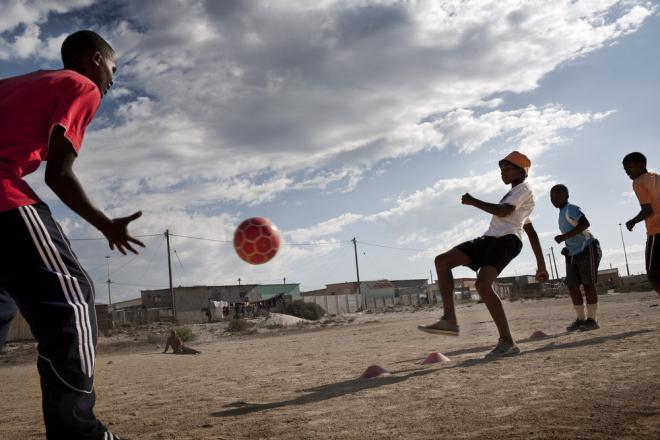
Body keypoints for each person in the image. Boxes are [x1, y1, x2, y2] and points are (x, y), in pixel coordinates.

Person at [0, 30, 144, 440]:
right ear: (94, 58)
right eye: (113, 69)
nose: (113, 82)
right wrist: (106, 224)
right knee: (72, 299)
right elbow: (58, 173)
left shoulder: (19, 83)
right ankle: (77, 434)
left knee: (2, 305)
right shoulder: (80, 85)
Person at [418, 151, 549, 357]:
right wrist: (541, 265)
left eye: (508, 168)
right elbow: (530, 230)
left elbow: (504, 212)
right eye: (501, 169)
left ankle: (508, 342)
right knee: (442, 261)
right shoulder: (514, 195)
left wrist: (473, 201)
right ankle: (449, 320)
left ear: (522, 172)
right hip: (489, 239)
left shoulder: (524, 189)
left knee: (482, 284)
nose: (503, 172)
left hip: (507, 240)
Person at [550, 184, 602, 331]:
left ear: (567, 196)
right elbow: (573, 233)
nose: (555, 198)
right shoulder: (561, 213)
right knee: (572, 285)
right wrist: (567, 246)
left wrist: (564, 237)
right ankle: (580, 319)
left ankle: (592, 320)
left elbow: (585, 223)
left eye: (559, 195)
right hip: (572, 253)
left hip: (587, 248)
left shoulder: (571, 208)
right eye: (552, 196)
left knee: (588, 284)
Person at [623, 152, 660, 294]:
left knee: (653, 273)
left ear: (641, 164)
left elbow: (647, 210)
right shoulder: (656, 177)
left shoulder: (638, 182)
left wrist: (632, 221)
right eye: (625, 170)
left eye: (629, 168)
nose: (627, 172)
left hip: (656, 231)